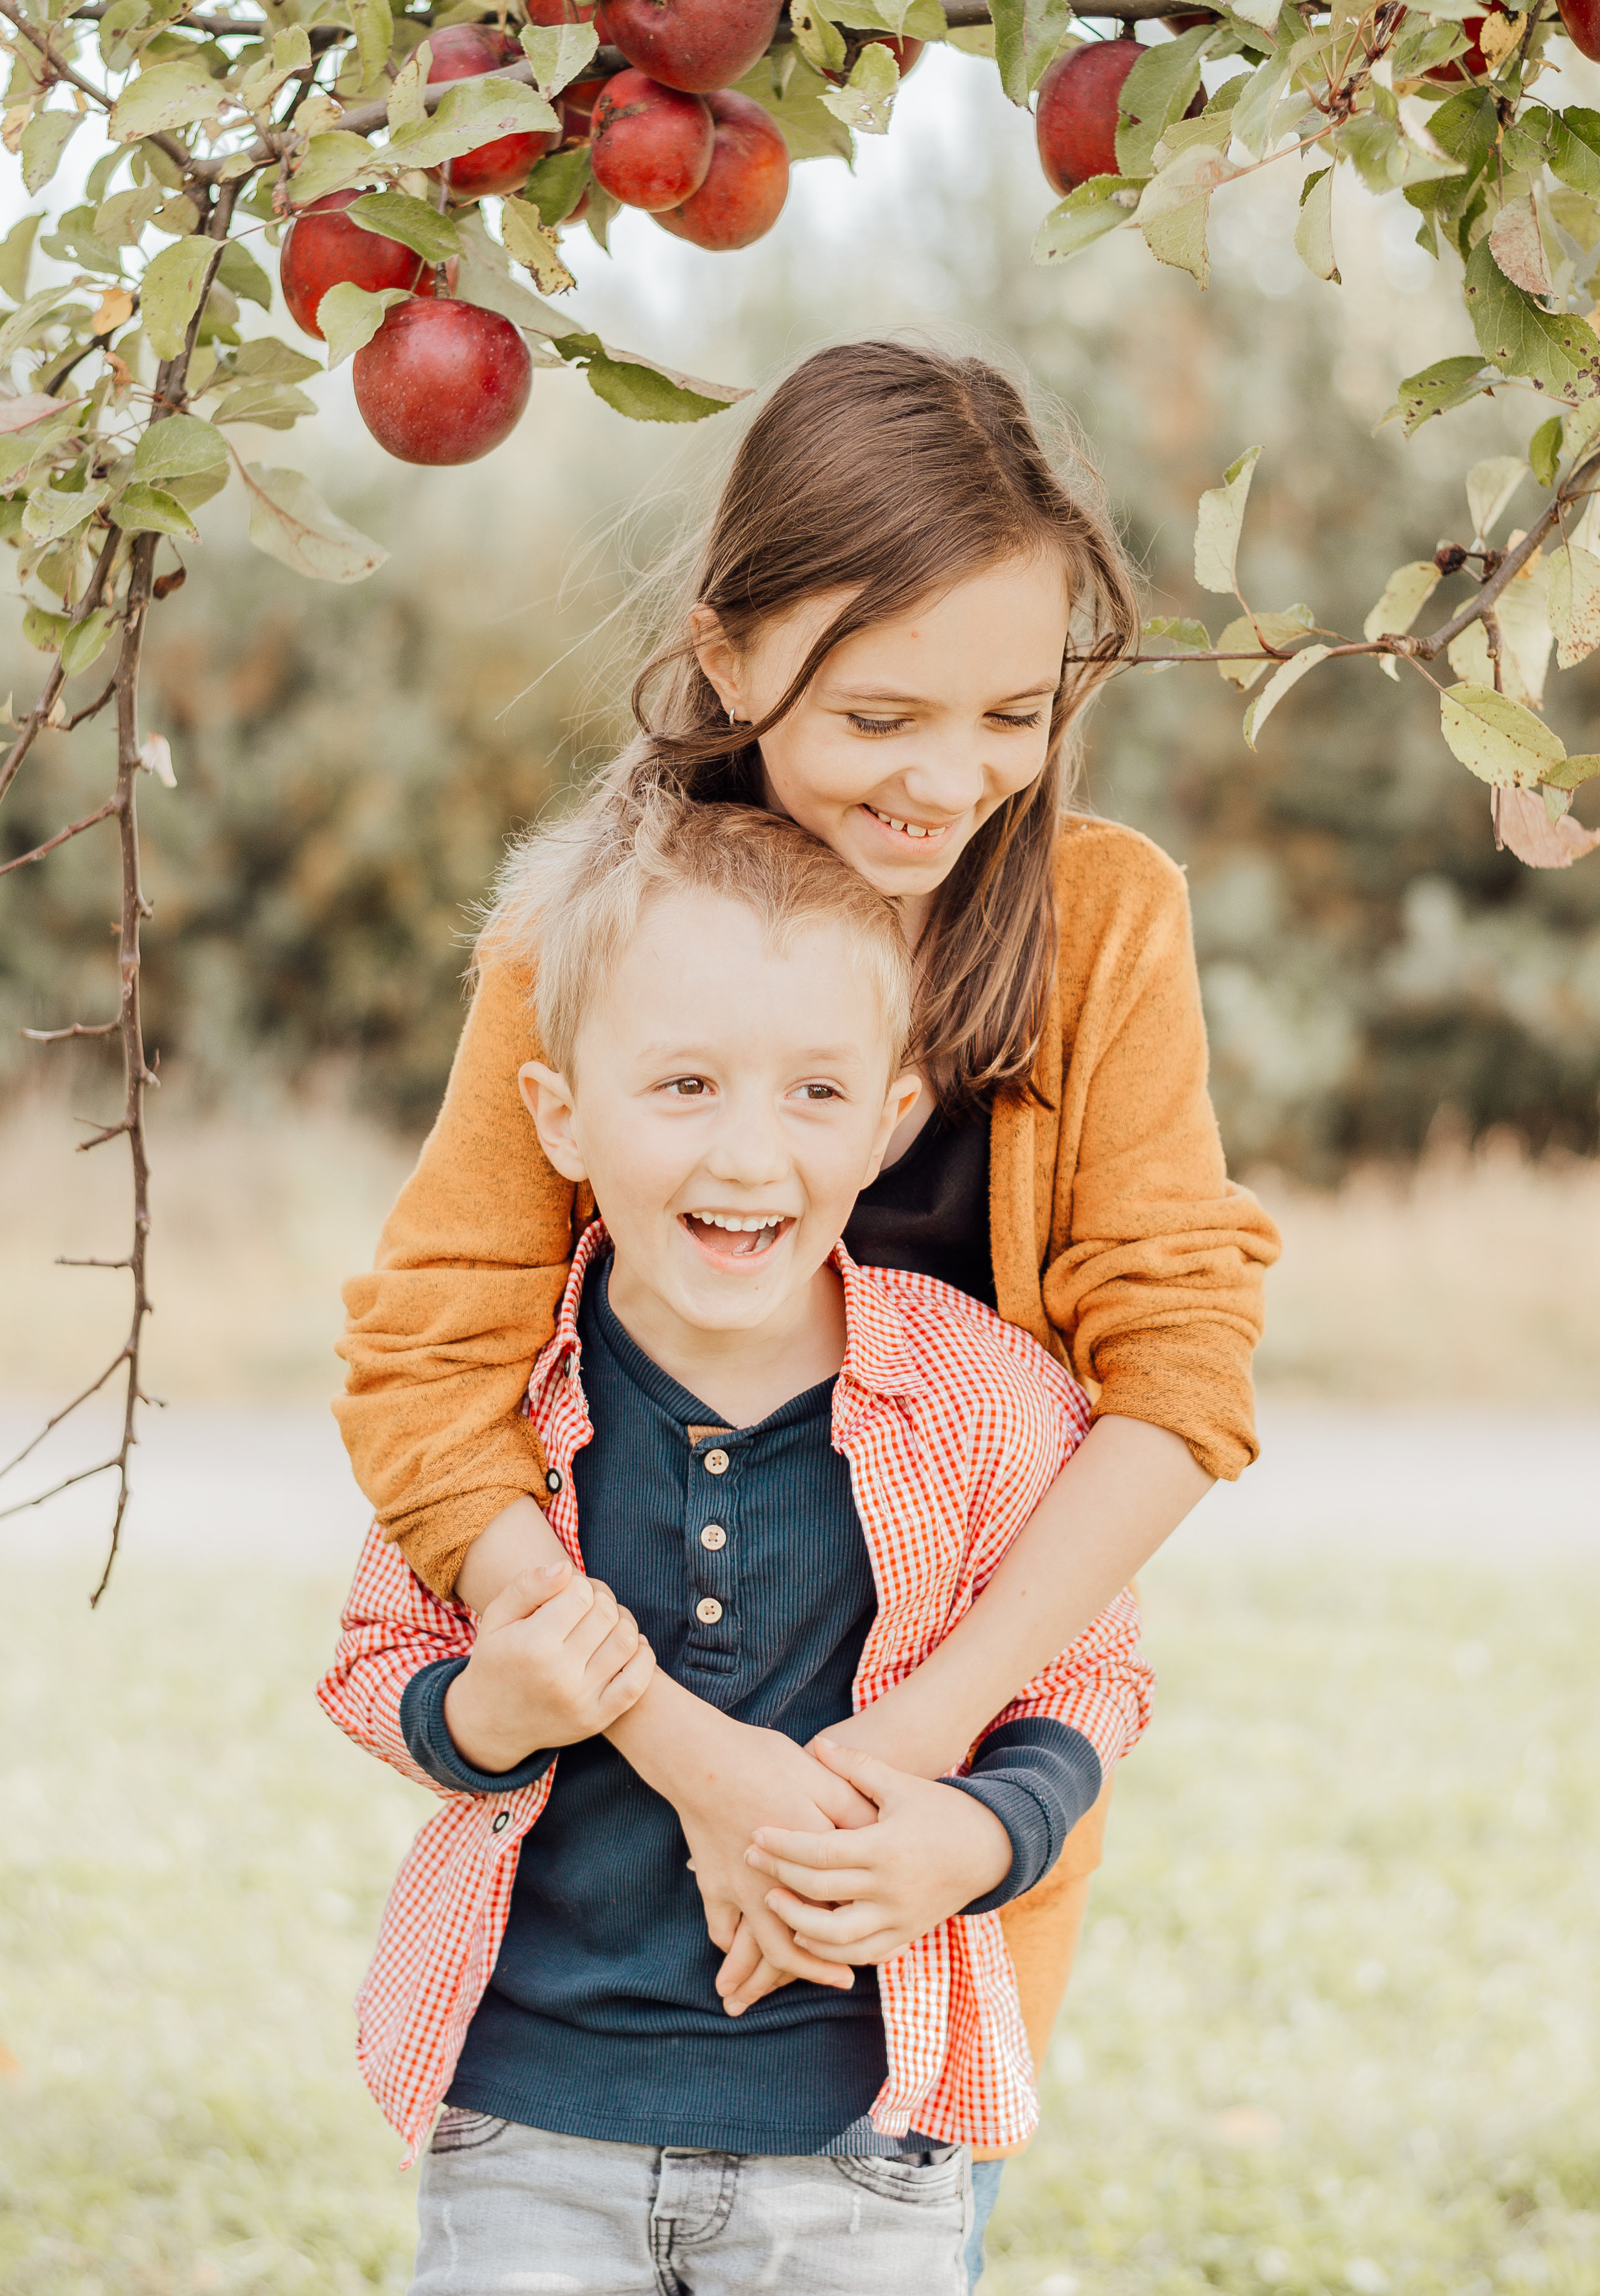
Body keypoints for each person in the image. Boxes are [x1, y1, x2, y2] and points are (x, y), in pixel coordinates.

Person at [335, 338, 1279, 2277]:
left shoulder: (1096, 926)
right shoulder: (585, 933)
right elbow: (433, 1368)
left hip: (922, 1848)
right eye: (877, 713)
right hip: (608, 1845)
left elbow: (1176, 1376)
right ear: (729, 650)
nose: (952, 778)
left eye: (1015, 710)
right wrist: (702, 1763)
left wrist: (903, 1756)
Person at [319, 794, 1155, 2294]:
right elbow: (385, 1658)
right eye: (685, 1084)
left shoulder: (969, 1394)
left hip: (861, 2140)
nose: (750, 1153)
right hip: (532, 2120)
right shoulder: (515, 1405)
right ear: (560, 1111)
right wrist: (483, 1716)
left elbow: (1092, 1671)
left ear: (893, 1120)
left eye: (816, 1095)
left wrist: (975, 1832)